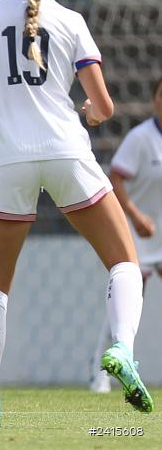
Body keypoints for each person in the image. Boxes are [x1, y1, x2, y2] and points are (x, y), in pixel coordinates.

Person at [0, 0, 153, 428]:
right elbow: (104, 105)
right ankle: (121, 347)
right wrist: (91, 115)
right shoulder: (70, 20)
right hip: (68, 153)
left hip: (8, 160)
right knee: (123, 261)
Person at [89, 75, 162, 393]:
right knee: (126, 306)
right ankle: (100, 374)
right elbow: (116, 178)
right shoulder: (141, 138)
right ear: (154, 100)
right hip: (140, 235)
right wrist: (136, 216)